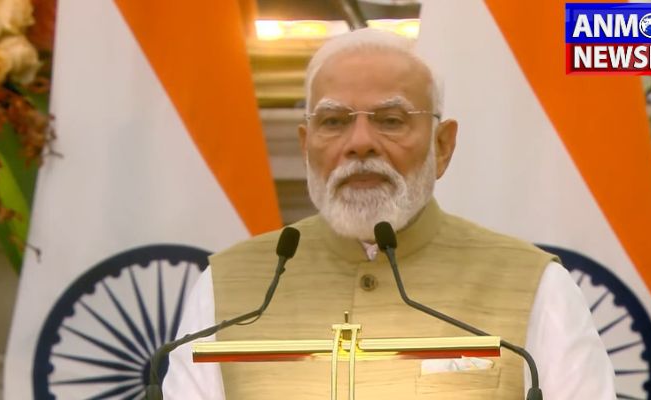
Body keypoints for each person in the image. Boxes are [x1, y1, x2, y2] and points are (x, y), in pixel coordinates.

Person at [163, 28, 615, 399]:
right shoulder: (227, 289)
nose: (360, 143)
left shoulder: (535, 285)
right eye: (334, 121)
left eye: (391, 120)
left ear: (442, 145)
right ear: (306, 146)